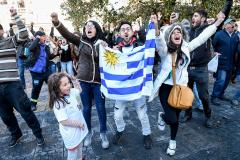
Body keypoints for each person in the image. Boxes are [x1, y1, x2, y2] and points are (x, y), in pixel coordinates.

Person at [149, 11, 225, 156]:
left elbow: (203, 38)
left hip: (181, 88)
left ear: (182, 35)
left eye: (180, 32)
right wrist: (157, 27)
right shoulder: (165, 51)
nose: (177, 34)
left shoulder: (186, 48)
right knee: (171, 118)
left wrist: (216, 23)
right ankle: (162, 116)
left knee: (176, 119)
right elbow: (159, 41)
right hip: (166, 88)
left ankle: (172, 141)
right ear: (170, 36)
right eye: (174, 32)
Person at [51, 12, 109, 149]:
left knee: (101, 108)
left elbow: (110, 59)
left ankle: (103, 133)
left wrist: (105, 47)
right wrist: (56, 22)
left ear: (96, 29)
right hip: (83, 81)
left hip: (98, 81)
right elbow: (67, 34)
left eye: (91, 26)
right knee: (86, 108)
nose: (88, 28)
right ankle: (88, 132)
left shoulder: (102, 43)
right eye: (86, 26)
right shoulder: (80, 41)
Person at [0, 8, 44, 147]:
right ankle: (16, 134)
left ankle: (38, 134)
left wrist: (15, 15)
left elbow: (24, 34)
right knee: (5, 116)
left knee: (25, 111)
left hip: (12, 85)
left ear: (1, 31)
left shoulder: (9, 41)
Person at [111, 20, 155, 149]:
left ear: (132, 31)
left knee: (142, 114)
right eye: (123, 29)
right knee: (117, 115)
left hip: (137, 88)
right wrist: (107, 50)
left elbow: (151, 58)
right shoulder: (115, 49)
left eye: (128, 28)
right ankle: (120, 130)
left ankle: (147, 134)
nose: (125, 31)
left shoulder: (140, 46)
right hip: (122, 89)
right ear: (119, 33)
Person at [48, 72, 88, 160]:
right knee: (73, 153)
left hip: (78, 129)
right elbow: (63, 121)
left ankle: (80, 158)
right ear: (57, 88)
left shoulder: (71, 92)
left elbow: (79, 90)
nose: (69, 85)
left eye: (69, 83)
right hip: (71, 133)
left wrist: (74, 80)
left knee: (80, 146)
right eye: (65, 84)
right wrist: (79, 123)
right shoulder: (58, 103)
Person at [211, 18, 239, 105]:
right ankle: (214, 97)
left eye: (233, 24)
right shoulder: (219, 34)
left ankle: (221, 94)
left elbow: (237, 50)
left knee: (226, 81)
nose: (233, 25)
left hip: (231, 63)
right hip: (221, 62)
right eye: (230, 23)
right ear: (225, 25)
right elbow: (212, 46)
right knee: (221, 80)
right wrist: (214, 53)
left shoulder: (235, 36)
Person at [28, 31, 55, 111]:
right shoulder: (35, 46)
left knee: (53, 86)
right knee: (36, 89)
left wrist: (55, 54)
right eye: (43, 36)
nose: (45, 37)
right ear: (38, 37)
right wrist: (37, 39)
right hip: (36, 73)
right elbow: (30, 48)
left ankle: (54, 102)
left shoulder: (46, 47)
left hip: (46, 71)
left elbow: (48, 57)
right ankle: (33, 104)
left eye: (45, 36)